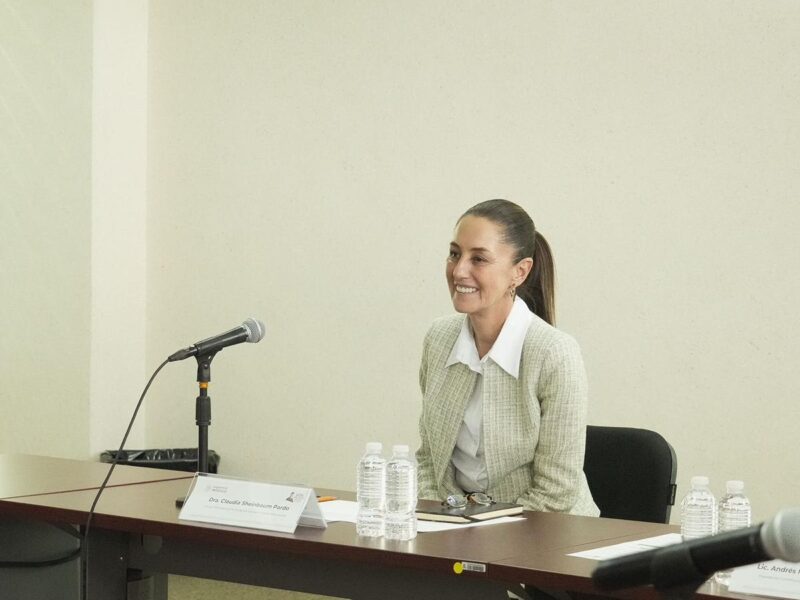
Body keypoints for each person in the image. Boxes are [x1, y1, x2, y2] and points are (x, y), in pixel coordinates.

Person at [416, 199, 599, 516]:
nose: (459, 270)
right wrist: (438, 519)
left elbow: (556, 493)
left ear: (520, 271)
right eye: (455, 254)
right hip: (456, 533)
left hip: (548, 535)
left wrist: (476, 529)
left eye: (479, 259)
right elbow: (429, 461)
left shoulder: (554, 353)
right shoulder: (438, 338)